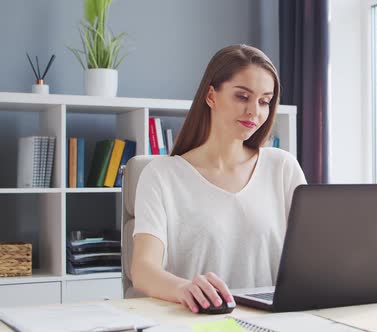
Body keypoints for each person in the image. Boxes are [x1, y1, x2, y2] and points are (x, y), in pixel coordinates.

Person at [130, 44, 307, 313]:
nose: (254, 112)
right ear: (211, 96)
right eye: (242, 96)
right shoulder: (162, 176)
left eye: (264, 101)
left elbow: (312, 259)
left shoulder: (282, 168)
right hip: (200, 321)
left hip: (274, 322)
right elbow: (143, 269)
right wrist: (183, 288)